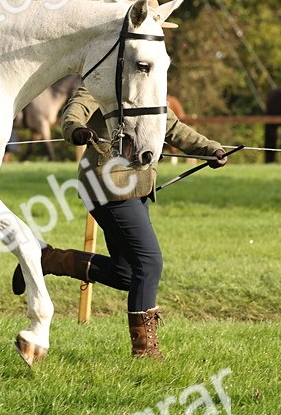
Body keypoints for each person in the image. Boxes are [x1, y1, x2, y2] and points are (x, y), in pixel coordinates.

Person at [14, 85, 227, 359]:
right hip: (107, 185)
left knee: (126, 273)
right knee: (149, 264)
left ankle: (47, 259)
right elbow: (73, 114)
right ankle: (145, 351)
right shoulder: (99, 82)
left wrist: (211, 149)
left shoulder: (147, 88)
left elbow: (172, 126)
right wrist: (76, 130)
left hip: (137, 189)